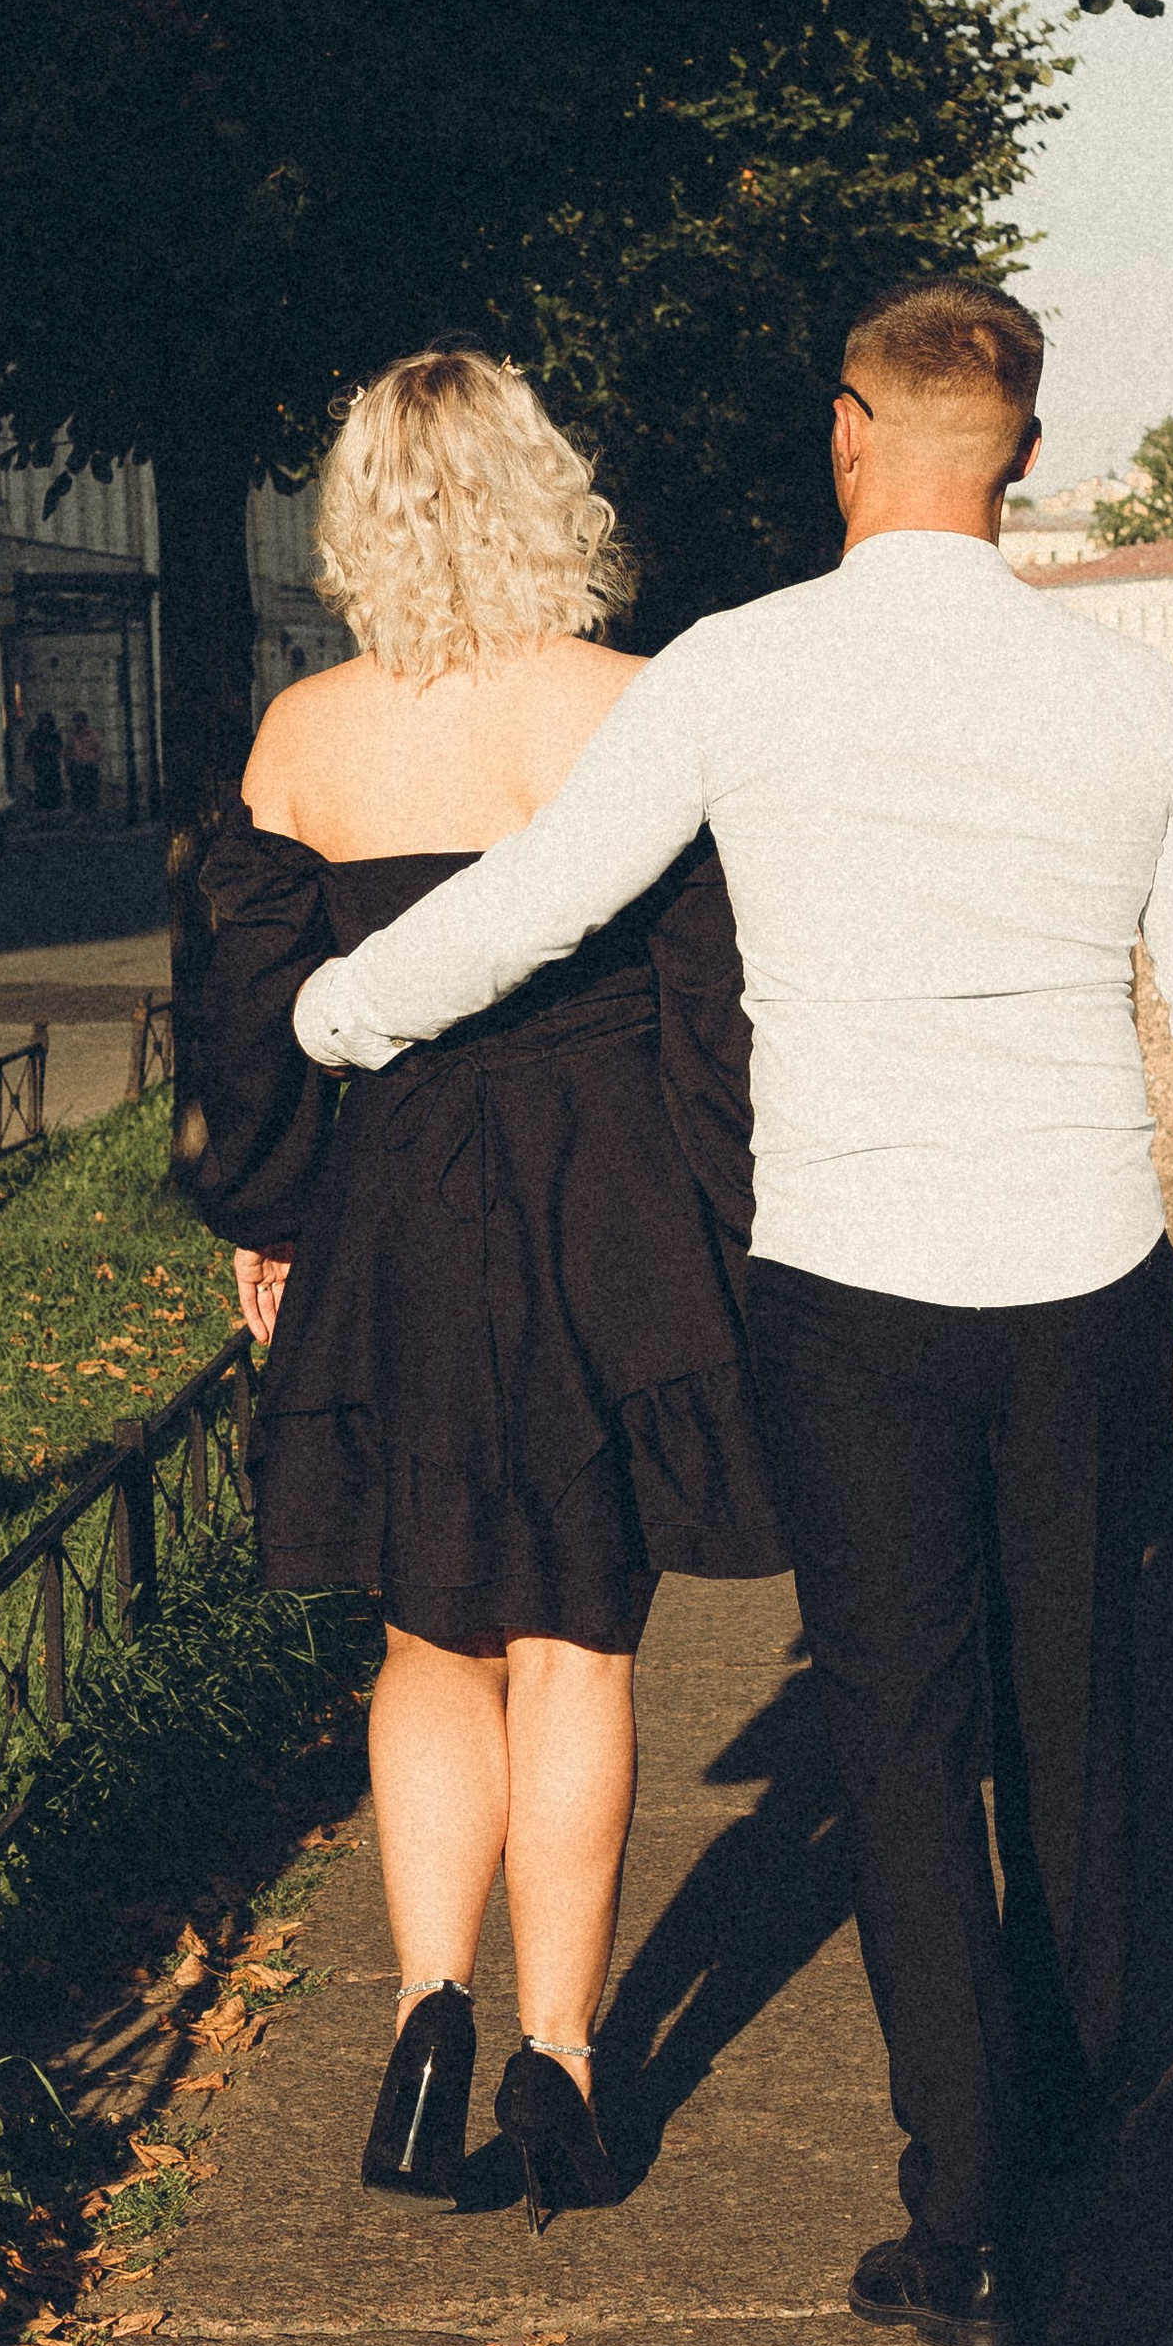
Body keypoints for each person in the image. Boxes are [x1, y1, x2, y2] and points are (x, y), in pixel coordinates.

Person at [296, 281, 1173, 2346]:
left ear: (844, 435)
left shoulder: (738, 673)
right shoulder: (1127, 702)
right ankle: (1074, 2098)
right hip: (1084, 1274)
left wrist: (337, 1014)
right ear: (1018, 454)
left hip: (847, 1293)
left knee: (901, 1740)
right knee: (1075, 1715)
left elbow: (542, 897)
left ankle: (959, 2215)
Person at [178, 350, 782, 2232]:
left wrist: (273, 1228)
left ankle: (424, 2015)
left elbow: (249, 1032)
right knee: (578, 1638)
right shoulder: (632, 707)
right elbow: (718, 1011)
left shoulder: (304, 740)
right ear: (551, 498)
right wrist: (741, 1226)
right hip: (605, 1210)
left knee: (430, 1632)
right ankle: (561, 2051)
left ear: (357, 517)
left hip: (400, 1210)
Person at [66, 709, 104, 818]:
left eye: (80, 721)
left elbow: (100, 750)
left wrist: (93, 759)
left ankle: (92, 812)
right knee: (78, 791)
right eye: (76, 722)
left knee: (91, 791)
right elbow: (67, 751)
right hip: (77, 767)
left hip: (90, 767)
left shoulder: (92, 735)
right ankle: (79, 812)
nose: (78, 724)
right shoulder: (72, 736)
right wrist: (69, 764)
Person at [26, 707, 64, 814]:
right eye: (43, 723)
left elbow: (58, 748)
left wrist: (47, 748)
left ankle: (54, 807)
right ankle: (42, 808)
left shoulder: (54, 735)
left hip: (52, 765)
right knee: (41, 787)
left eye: (47, 723)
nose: (45, 726)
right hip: (40, 765)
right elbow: (29, 748)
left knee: (53, 787)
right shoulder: (34, 735)